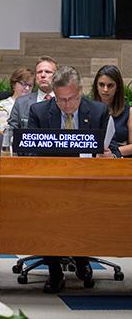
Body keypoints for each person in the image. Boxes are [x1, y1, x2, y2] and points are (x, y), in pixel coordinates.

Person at [27, 65, 118, 293]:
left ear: (81, 91)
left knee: (84, 209)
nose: (67, 105)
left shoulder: (97, 111)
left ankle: (80, 257)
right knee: (47, 210)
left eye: (72, 98)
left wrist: (109, 155)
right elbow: (28, 152)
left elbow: (111, 146)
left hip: (87, 182)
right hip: (50, 183)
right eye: (61, 100)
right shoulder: (39, 111)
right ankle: (55, 271)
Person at [7, 56, 57, 132]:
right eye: (39, 72)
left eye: (47, 72)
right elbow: (11, 131)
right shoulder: (21, 102)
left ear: (56, 76)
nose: (42, 75)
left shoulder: (66, 100)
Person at [92, 65, 132, 157]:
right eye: (101, 85)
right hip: (92, 161)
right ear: (96, 86)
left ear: (117, 87)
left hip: (121, 162)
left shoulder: (129, 112)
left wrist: (113, 153)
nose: (105, 89)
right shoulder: (87, 110)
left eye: (110, 85)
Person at [0, 67, 33, 133]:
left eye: (30, 85)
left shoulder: (35, 104)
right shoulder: (3, 105)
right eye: (23, 84)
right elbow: (0, 128)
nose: (27, 88)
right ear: (13, 84)